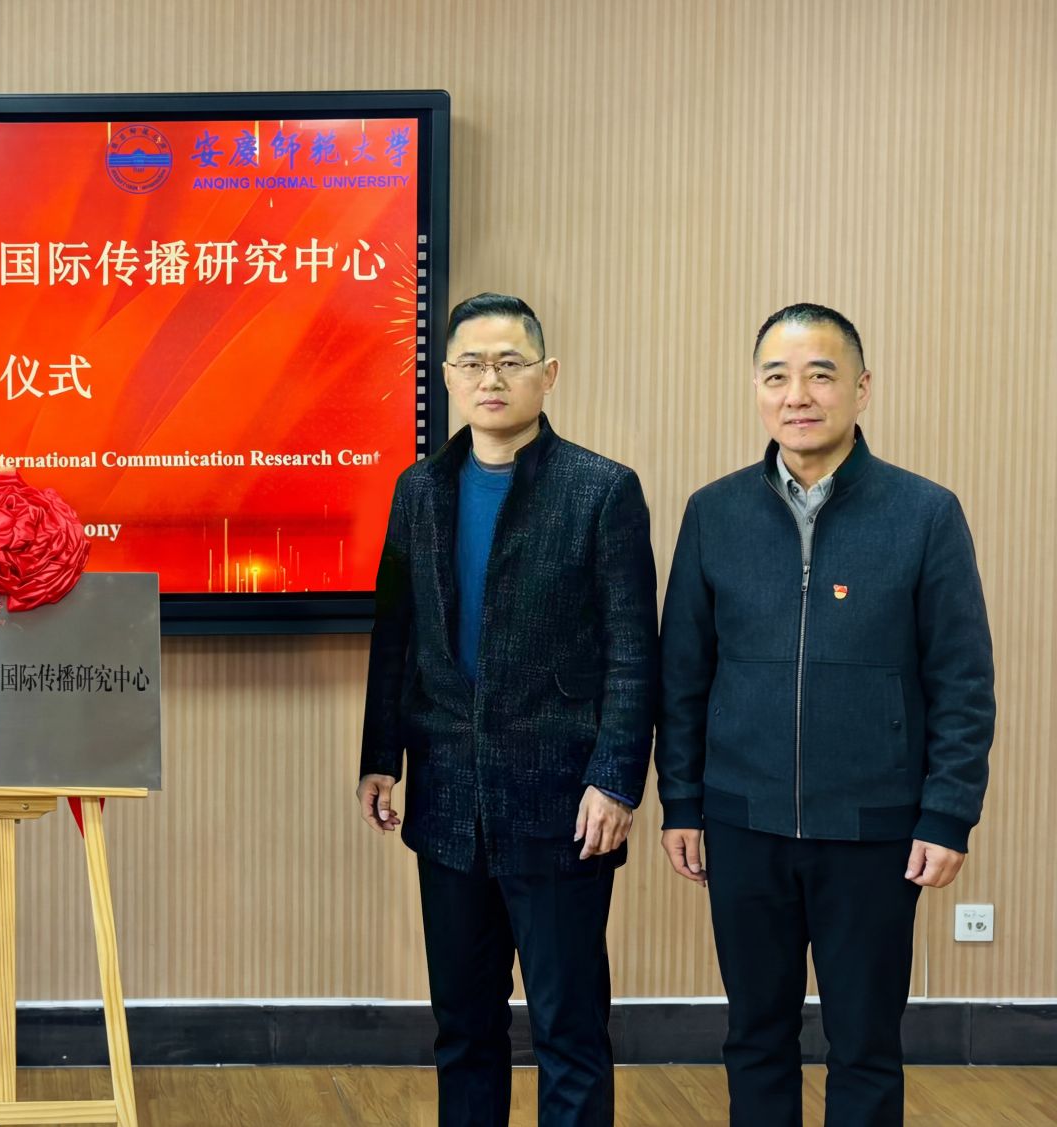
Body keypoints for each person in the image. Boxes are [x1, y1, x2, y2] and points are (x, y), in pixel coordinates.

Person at [657, 302, 995, 1127]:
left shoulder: (924, 513)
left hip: (874, 829)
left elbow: (962, 680)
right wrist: (682, 802)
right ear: (757, 389)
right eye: (777, 377)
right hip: (743, 822)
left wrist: (946, 814)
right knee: (755, 1038)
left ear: (861, 388)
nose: (797, 395)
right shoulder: (714, 512)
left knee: (866, 1044)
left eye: (820, 374)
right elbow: (683, 674)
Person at [358, 293, 657, 1126]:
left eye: (510, 362)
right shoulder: (419, 489)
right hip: (448, 798)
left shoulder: (602, 490)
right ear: (448, 377)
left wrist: (616, 779)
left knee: (570, 1029)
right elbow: (395, 631)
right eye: (473, 363)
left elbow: (634, 651)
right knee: (463, 1029)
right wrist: (380, 756)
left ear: (547, 375)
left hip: (563, 801)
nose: (491, 378)